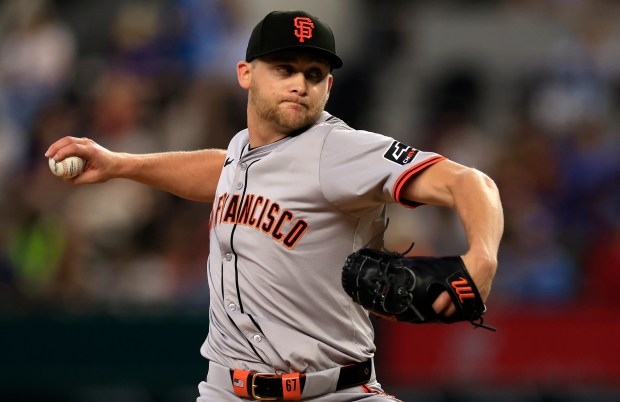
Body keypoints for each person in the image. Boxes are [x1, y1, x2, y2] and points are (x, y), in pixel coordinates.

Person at [45, 10, 503, 402]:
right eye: (284, 69)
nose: (300, 84)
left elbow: (470, 181)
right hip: (225, 389)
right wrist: (120, 163)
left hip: (333, 392)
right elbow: (221, 170)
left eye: (313, 74)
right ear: (246, 74)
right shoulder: (243, 149)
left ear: (329, 86)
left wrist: (481, 257)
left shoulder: (339, 151)